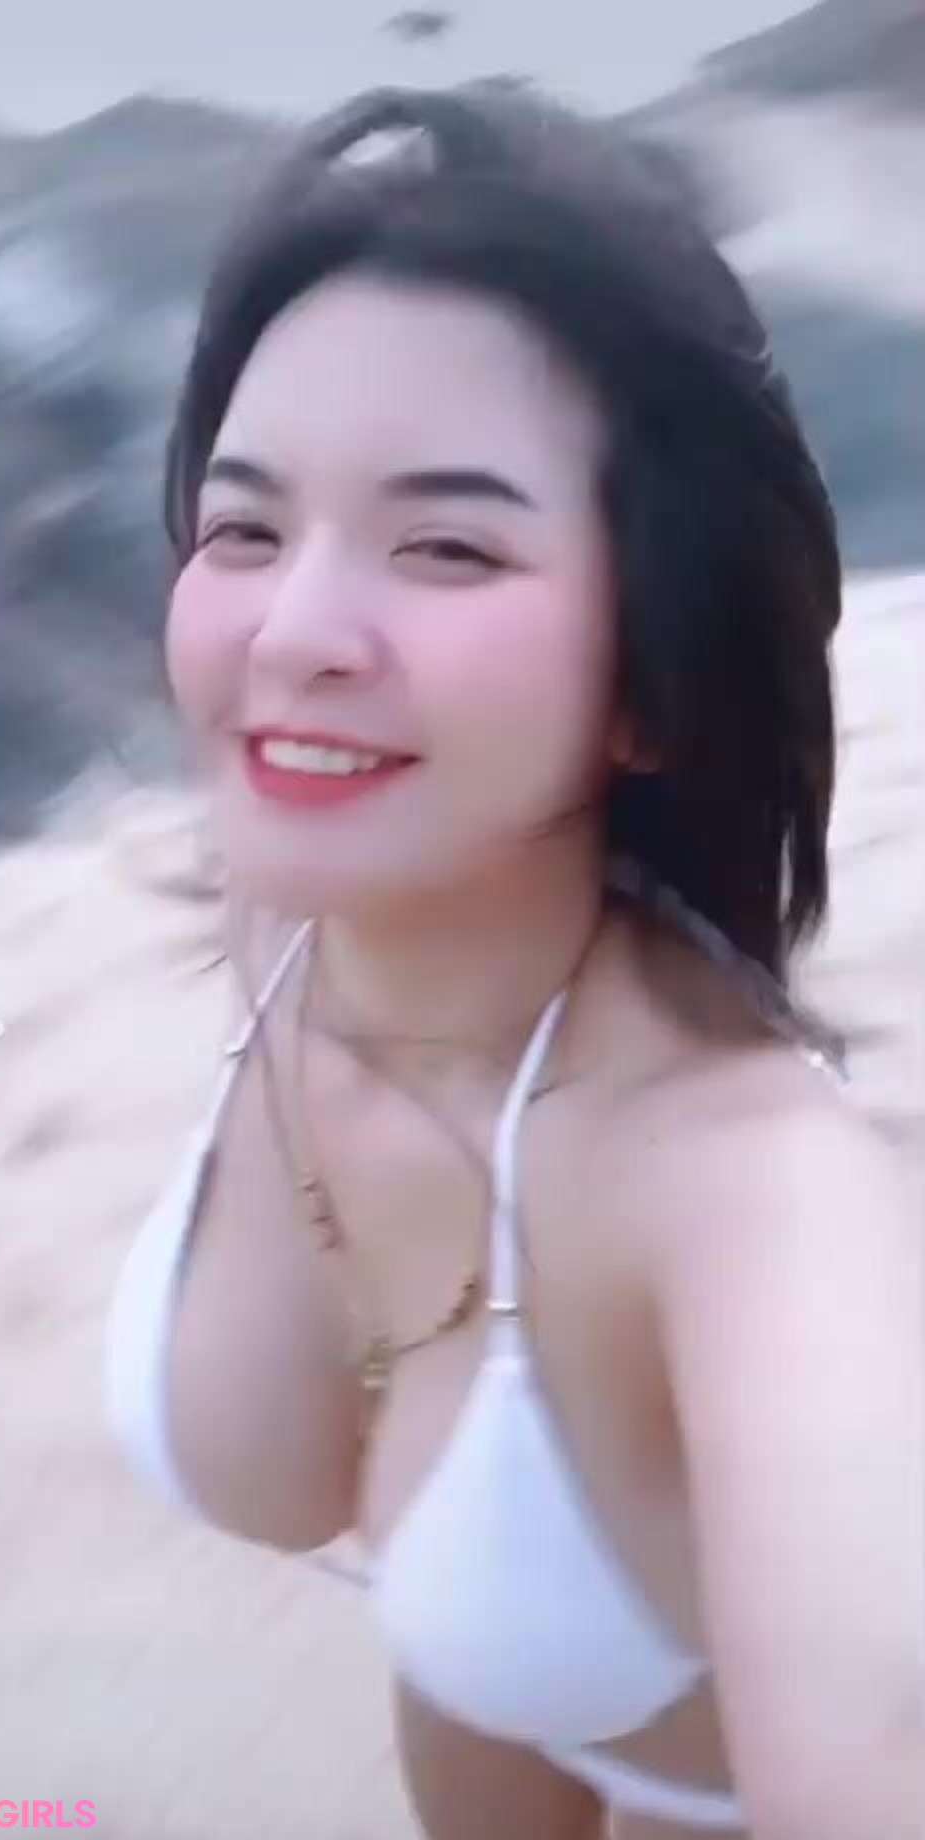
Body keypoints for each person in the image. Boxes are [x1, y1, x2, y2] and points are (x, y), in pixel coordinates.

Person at [104, 83, 923, 1840]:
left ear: (652, 680)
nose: (293, 634)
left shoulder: (763, 1214)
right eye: (245, 528)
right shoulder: (294, 916)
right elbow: (456, 1623)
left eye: (450, 546)